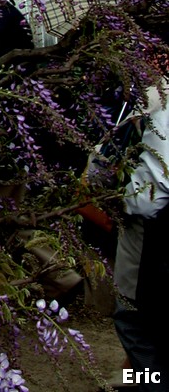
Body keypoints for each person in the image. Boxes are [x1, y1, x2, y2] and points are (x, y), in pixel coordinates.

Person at [111, 82, 169, 391]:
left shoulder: (160, 99)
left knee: (135, 321)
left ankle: (149, 382)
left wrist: (120, 198)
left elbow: (145, 199)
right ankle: (130, 379)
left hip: (152, 234)